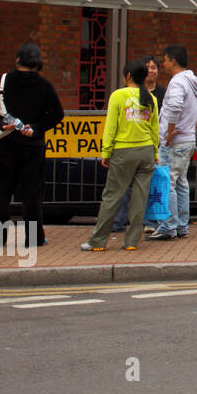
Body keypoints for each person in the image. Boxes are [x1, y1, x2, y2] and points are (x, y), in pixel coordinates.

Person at [0, 43, 65, 248]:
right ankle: (34, 238)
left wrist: (0, 122)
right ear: (38, 62)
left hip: (7, 144)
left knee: (1, 194)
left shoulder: (4, 81)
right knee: (31, 195)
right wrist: (36, 127)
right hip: (33, 146)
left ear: (18, 60)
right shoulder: (45, 86)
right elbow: (57, 115)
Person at [81, 61, 160, 251]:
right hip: (146, 151)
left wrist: (106, 152)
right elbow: (155, 129)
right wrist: (155, 152)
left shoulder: (118, 95)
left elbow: (111, 127)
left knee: (112, 196)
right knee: (140, 198)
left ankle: (98, 241)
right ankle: (132, 242)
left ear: (128, 76)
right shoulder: (151, 98)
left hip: (124, 151)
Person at [148, 45, 197, 241]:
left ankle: (168, 226)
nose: (163, 64)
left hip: (174, 141)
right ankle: (181, 224)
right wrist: (193, 125)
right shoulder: (193, 80)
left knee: (168, 182)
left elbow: (173, 105)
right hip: (187, 139)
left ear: (173, 60)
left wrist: (170, 129)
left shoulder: (177, 82)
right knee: (181, 182)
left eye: (164, 60)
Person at [113, 54, 167, 235]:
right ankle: (121, 224)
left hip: (144, 147)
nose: (150, 70)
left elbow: (155, 126)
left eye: (154, 67)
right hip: (134, 147)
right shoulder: (124, 94)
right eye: (147, 67)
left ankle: (146, 222)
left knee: (144, 188)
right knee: (126, 188)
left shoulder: (160, 94)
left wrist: (156, 150)